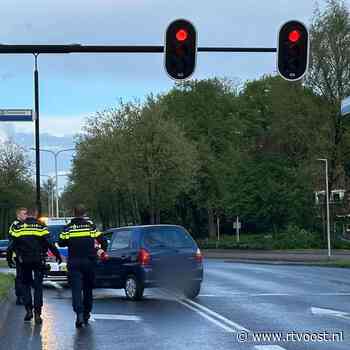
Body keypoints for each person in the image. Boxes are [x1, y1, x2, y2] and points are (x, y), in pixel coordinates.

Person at [7, 207, 62, 324]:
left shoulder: (18, 227)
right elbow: (50, 243)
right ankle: (37, 313)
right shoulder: (41, 226)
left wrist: (9, 259)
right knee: (38, 287)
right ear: (36, 214)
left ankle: (28, 310)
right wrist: (58, 255)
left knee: (25, 285)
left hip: (24, 261)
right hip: (38, 260)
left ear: (26, 215)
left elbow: (11, 245)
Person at [59, 204, 107, 328]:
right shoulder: (90, 227)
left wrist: (71, 241)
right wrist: (102, 252)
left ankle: (79, 314)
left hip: (74, 262)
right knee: (87, 289)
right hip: (89, 262)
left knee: (76, 290)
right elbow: (103, 240)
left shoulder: (68, 228)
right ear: (85, 214)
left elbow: (61, 242)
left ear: (73, 213)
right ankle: (86, 314)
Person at [8, 207, 27, 305]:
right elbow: (12, 241)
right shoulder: (15, 225)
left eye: (26, 213)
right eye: (24, 214)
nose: (26, 215)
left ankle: (24, 295)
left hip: (26, 255)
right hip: (18, 255)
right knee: (20, 276)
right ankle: (19, 297)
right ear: (18, 215)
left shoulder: (25, 224)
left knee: (24, 276)